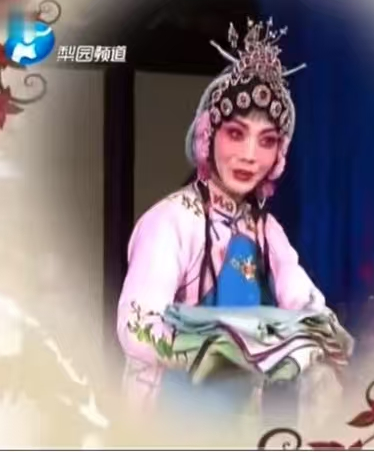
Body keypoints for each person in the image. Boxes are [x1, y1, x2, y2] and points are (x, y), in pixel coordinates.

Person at [116, 18, 352, 433]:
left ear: (279, 153)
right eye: (236, 133)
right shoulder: (170, 221)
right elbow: (136, 326)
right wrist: (215, 348)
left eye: (267, 140)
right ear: (208, 136)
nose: (249, 155)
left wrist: (321, 345)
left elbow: (304, 301)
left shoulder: (266, 230)